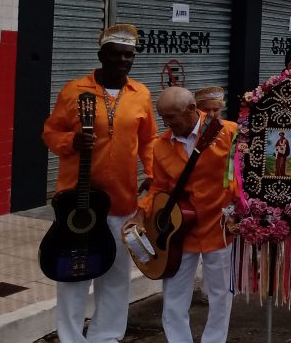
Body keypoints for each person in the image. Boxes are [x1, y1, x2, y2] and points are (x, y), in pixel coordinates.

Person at [42, 24, 157, 343]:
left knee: (117, 274)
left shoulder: (142, 94)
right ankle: (70, 337)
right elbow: (49, 132)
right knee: (72, 271)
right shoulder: (74, 90)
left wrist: (153, 174)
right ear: (101, 55)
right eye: (116, 54)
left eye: (129, 55)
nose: (123, 60)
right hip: (76, 203)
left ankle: (106, 336)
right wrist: (71, 140)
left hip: (122, 200)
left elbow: (148, 141)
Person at [127, 87, 237, 343]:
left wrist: (241, 211)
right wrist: (140, 213)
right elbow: (160, 188)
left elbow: (243, 177)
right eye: (163, 117)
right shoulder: (161, 145)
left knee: (221, 296)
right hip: (180, 230)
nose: (167, 123)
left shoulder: (228, 133)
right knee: (174, 296)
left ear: (192, 110)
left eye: (172, 117)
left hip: (219, 227)